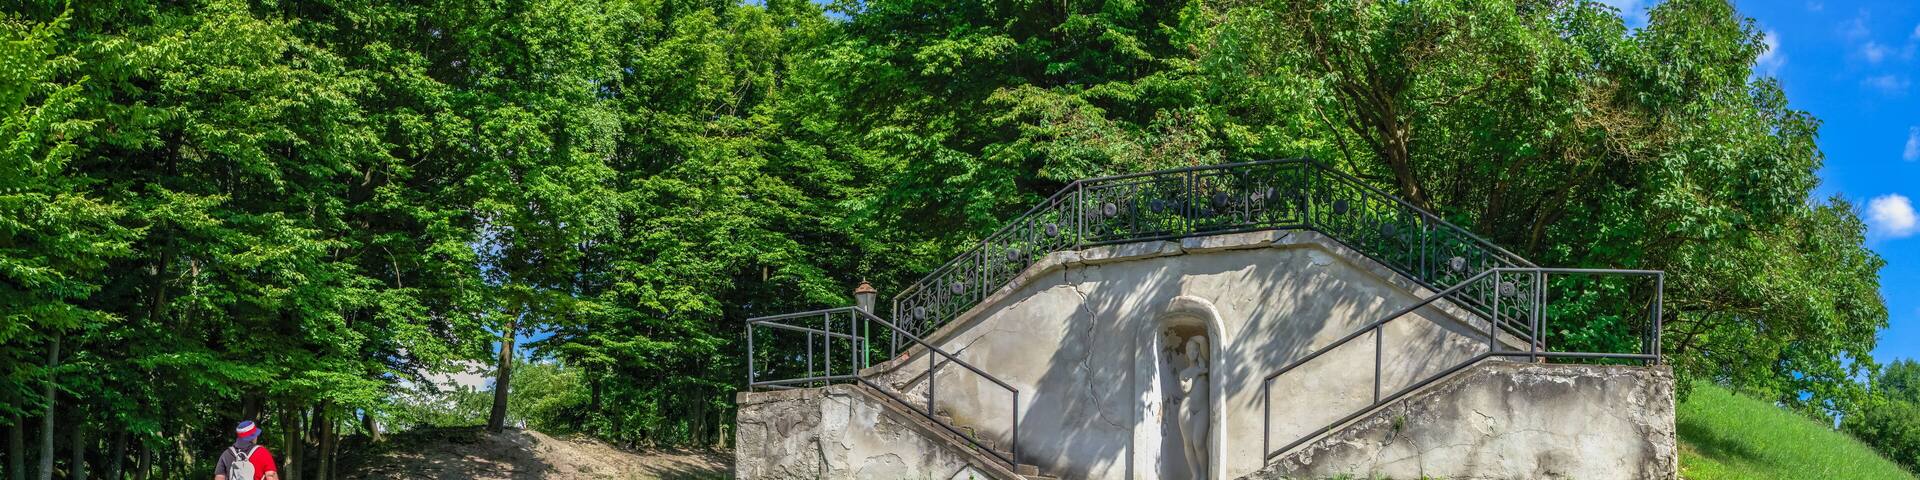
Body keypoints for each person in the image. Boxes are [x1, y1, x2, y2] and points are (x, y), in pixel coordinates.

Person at [215, 420, 280, 480]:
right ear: (253, 437)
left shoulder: (226, 454)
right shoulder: (262, 452)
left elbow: (219, 477)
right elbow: (271, 476)